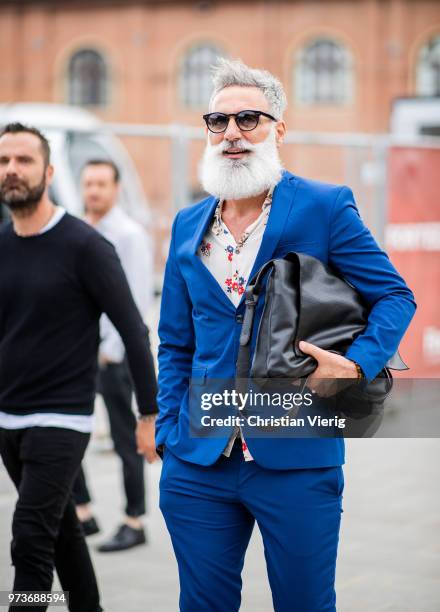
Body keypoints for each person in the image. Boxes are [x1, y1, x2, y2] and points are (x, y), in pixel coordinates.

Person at [156, 59, 416, 612]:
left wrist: (356, 364)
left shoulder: (324, 207)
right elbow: (175, 342)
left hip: (295, 459)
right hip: (197, 463)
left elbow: (395, 296)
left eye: (248, 119)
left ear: (279, 128)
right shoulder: (187, 225)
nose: (232, 133)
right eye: (218, 121)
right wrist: (168, 431)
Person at [0, 122, 158, 612]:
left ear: (48, 172)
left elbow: (134, 330)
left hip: (62, 420)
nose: (11, 170)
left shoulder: (85, 246)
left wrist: (148, 415)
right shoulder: (2, 243)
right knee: (63, 533)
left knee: (29, 539)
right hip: (8, 419)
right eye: (4, 161)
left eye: (23, 160)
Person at [72, 159, 153, 552]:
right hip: (75, 355)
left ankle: (134, 520)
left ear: (116, 188)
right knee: (67, 432)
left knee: (126, 440)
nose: (94, 191)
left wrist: (114, 351)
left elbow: (136, 297)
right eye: (88, 183)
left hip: (113, 356)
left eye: (101, 183)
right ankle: (82, 511)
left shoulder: (129, 235)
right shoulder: (75, 229)